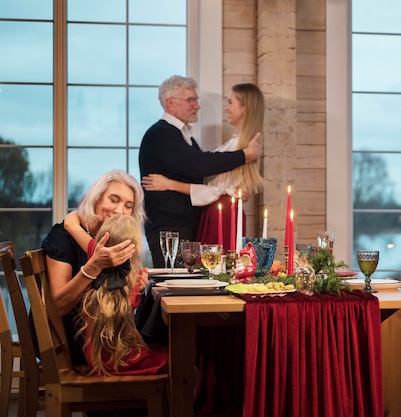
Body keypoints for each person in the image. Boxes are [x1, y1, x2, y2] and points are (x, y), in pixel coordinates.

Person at [139, 75, 263, 267]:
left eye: (196, 100)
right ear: (170, 103)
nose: (197, 106)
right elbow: (200, 165)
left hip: (187, 222)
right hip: (170, 226)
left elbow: (204, 171)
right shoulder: (161, 134)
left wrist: (233, 188)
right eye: (190, 100)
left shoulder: (183, 135)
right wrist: (244, 155)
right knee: (174, 284)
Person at [41, 169, 146, 365]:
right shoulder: (62, 238)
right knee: (166, 351)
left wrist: (134, 286)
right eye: (113, 199)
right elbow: (58, 307)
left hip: (103, 335)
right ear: (95, 198)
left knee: (163, 338)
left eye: (128, 205)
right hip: (69, 340)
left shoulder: (116, 242)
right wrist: (93, 267)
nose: (120, 211)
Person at [76, 215, 168, 376]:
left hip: (99, 358)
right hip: (116, 360)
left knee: (163, 349)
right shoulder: (125, 287)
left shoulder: (94, 278)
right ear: (136, 250)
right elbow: (131, 329)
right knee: (183, 363)